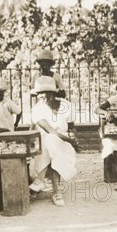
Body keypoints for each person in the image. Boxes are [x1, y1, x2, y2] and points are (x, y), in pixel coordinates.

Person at [28, 77, 77, 206]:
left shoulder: (65, 105)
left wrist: (72, 137)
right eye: (39, 93)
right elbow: (49, 130)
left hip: (63, 145)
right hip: (44, 144)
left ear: (53, 92)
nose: (42, 96)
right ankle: (56, 192)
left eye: (46, 92)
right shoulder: (37, 109)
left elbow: (71, 127)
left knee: (52, 143)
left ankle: (40, 180)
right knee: (50, 140)